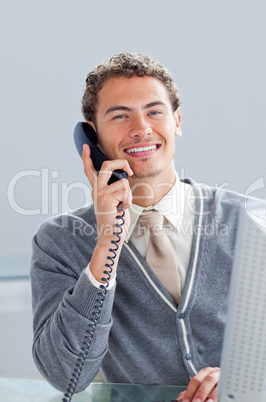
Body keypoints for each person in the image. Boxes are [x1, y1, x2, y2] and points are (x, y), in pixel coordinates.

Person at [31, 53, 244, 402]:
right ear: (91, 137)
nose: (141, 128)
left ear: (176, 121)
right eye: (120, 116)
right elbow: (64, 375)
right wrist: (106, 245)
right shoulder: (60, 242)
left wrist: (242, 379)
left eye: (154, 111)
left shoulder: (246, 219)